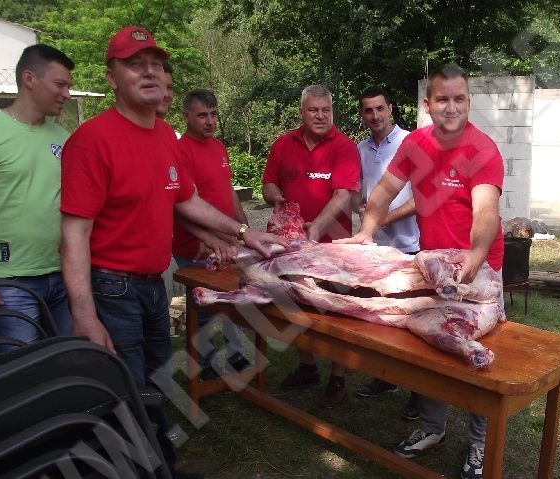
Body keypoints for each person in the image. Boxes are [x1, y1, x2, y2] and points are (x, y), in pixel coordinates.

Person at [59, 26, 286, 479]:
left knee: (156, 380)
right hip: (112, 286)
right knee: (129, 386)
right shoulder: (92, 139)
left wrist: (245, 233)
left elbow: (187, 201)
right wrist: (84, 315)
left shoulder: (164, 136)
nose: (149, 72)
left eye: (156, 64)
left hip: (153, 283)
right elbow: (73, 235)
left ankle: (160, 466)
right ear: (111, 77)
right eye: (134, 64)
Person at [338, 64, 504, 479]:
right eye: (443, 99)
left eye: (460, 99)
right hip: (432, 268)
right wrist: (367, 231)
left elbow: (485, 211)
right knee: (432, 351)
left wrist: (475, 255)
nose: (452, 107)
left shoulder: (483, 150)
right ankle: (432, 428)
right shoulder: (415, 144)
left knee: (478, 365)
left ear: (469, 101)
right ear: (427, 105)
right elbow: (385, 191)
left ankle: (481, 444)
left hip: (480, 272)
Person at [0, 44, 75, 351]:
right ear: (29, 78)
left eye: (68, 86)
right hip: (12, 281)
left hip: (64, 273)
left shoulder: (63, 139)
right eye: (60, 84)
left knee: (68, 363)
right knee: (20, 372)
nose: (66, 94)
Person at [261, 84, 361, 408]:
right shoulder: (282, 144)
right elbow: (268, 183)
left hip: (332, 246)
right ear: (301, 112)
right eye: (313, 110)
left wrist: (317, 224)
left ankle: (338, 376)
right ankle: (306, 367)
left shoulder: (343, 147)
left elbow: (343, 194)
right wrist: (275, 196)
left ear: (332, 112)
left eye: (326, 110)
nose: (320, 116)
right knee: (299, 304)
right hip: (293, 244)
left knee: (335, 311)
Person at [172, 88, 251, 380]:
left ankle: (236, 354)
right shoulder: (180, 151)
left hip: (227, 242)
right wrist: (209, 238)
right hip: (194, 246)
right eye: (202, 115)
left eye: (213, 114)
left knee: (235, 295)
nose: (209, 121)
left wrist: (245, 231)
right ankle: (204, 363)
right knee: (203, 304)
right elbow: (183, 204)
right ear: (186, 116)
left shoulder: (218, 147)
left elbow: (228, 193)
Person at [353, 86, 421, 420]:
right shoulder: (361, 149)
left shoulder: (412, 142)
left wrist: (382, 218)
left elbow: (421, 198)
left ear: (391, 108)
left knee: (412, 322)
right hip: (375, 250)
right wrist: (362, 209)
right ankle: (385, 377)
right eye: (368, 110)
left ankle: (418, 393)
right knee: (379, 318)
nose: (375, 116)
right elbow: (359, 194)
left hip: (410, 248)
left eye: (380, 108)